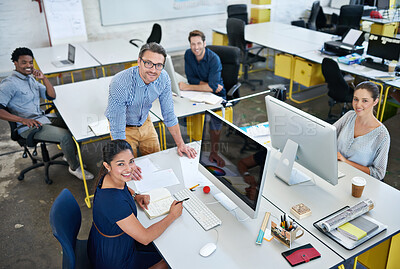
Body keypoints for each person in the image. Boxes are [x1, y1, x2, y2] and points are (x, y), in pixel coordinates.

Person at [0, 47, 93, 180]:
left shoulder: (30, 79)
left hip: (41, 118)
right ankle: (74, 167)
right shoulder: (9, 84)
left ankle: (69, 155)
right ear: (15, 63)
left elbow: (51, 95)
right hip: (28, 126)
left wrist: (44, 78)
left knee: (75, 124)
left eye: (30, 62)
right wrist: (21, 120)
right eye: (24, 62)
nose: (28, 66)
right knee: (65, 136)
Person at [87, 140, 182, 269]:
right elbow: (145, 237)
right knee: (169, 260)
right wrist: (172, 215)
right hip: (114, 258)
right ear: (107, 165)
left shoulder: (108, 177)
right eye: (121, 164)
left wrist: (136, 196)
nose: (129, 169)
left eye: (131, 161)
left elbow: (123, 188)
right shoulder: (114, 203)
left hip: (105, 243)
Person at [105, 42, 196, 161]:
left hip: (145, 122)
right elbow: (117, 128)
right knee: (129, 169)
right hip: (123, 127)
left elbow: (169, 114)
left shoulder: (163, 78)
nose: (153, 70)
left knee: (156, 161)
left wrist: (181, 144)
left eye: (159, 65)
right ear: (139, 61)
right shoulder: (120, 83)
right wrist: (126, 161)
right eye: (148, 63)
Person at [334, 81, 390, 181]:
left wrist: (346, 161)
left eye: (365, 101)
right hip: (334, 170)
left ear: (375, 101)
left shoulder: (382, 135)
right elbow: (328, 135)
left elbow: (379, 173)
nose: (358, 105)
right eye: (356, 99)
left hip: (356, 181)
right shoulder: (349, 116)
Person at [178, 30, 226, 99]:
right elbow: (191, 79)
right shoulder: (188, 54)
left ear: (204, 44)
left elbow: (213, 88)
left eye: (199, 43)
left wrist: (187, 87)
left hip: (216, 95)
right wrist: (208, 86)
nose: (196, 47)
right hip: (199, 93)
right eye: (193, 44)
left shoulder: (214, 59)